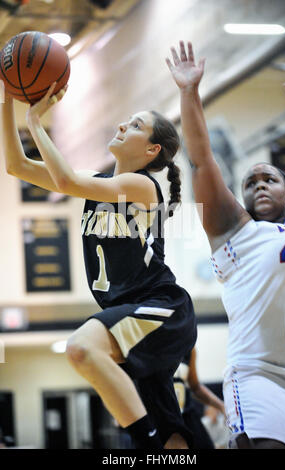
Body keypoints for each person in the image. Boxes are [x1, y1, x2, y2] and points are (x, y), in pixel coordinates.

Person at [1, 82, 198, 449]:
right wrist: (6, 100)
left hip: (160, 306)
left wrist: (33, 121)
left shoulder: (143, 187)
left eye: (135, 125)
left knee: (81, 348)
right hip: (126, 310)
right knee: (173, 437)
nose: (122, 126)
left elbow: (64, 180)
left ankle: (145, 446)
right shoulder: (99, 185)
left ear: (152, 149)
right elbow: (16, 166)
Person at [166, 41, 285, 449]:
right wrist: (189, 92)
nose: (259, 184)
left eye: (269, 180)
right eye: (250, 182)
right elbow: (202, 159)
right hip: (260, 373)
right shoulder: (234, 231)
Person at [173, 346, 225, 449]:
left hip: (186, 416)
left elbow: (196, 387)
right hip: (161, 418)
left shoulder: (188, 346)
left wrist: (222, 407)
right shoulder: (147, 343)